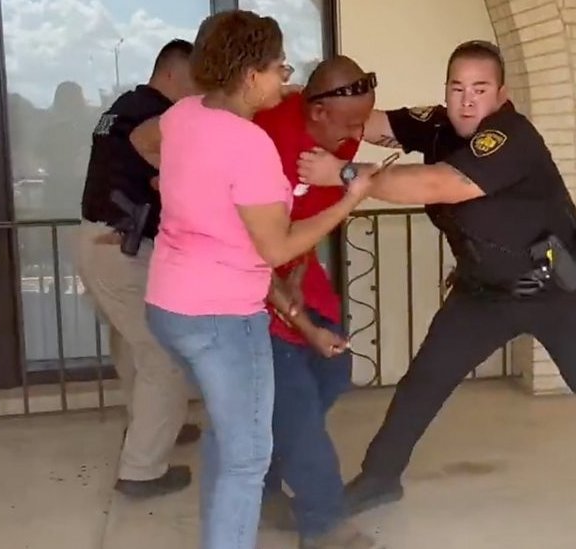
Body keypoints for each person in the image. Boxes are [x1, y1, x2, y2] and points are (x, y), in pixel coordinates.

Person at [297, 40, 576, 549]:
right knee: (424, 382)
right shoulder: (436, 124)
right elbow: (368, 120)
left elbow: (443, 185)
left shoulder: (511, 136)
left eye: (479, 90)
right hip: (484, 294)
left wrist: (346, 175)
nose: (466, 101)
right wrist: (297, 97)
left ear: (501, 94)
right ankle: (380, 478)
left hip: (558, 294)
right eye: (457, 88)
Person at [127, 11, 375, 549]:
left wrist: (186, 190)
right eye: (277, 66)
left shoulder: (186, 114)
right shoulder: (250, 144)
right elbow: (280, 246)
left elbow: (144, 141)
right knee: (247, 459)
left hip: (169, 304)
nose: (284, 75)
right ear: (250, 76)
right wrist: (352, 197)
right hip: (223, 315)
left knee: (230, 434)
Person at [251, 56, 379, 549]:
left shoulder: (338, 142)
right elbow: (252, 250)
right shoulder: (265, 137)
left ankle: (262, 482)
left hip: (296, 270)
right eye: (351, 123)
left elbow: (311, 222)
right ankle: (324, 524)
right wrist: (301, 322)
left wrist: (301, 274)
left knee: (332, 373)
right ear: (318, 112)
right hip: (246, 280)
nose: (357, 133)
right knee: (295, 399)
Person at [76, 38, 202, 499]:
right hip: (120, 246)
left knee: (131, 347)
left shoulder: (122, 106)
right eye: (194, 81)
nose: (197, 94)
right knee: (162, 355)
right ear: (171, 74)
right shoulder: (150, 113)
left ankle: (153, 425)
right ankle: (142, 469)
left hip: (100, 239)